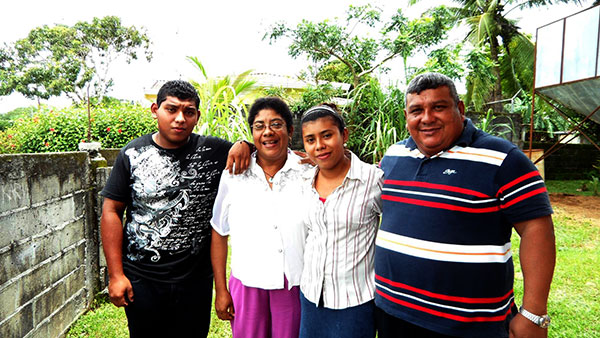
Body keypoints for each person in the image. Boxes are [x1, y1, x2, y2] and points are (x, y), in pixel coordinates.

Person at [374, 72, 556, 338]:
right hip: (394, 315)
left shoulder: (504, 159)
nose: (426, 118)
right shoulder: (393, 156)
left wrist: (533, 314)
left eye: (438, 107)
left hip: (470, 326)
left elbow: (536, 229)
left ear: (459, 109)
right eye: (417, 110)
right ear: (406, 116)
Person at [100, 80, 252, 337]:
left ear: (197, 117)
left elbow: (266, 153)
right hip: (142, 278)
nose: (180, 118)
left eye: (188, 112)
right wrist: (116, 275)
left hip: (194, 280)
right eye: (171, 109)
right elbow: (111, 211)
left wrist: (244, 143)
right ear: (155, 110)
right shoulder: (132, 154)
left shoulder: (214, 150)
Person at [211, 97, 312, 338]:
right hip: (247, 284)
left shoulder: (309, 172)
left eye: (276, 124)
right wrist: (221, 289)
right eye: (259, 126)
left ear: (289, 130)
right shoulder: (234, 174)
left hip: (295, 285)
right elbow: (219, 231)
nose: (268, 132)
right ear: (252, 133)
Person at [298, 103, 383, 338]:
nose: (319, 146)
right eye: (311, 140)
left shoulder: (372, 181)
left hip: (354, 302)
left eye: (327, 135)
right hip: (311, 296)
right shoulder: (303, 182)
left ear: (343, 135)